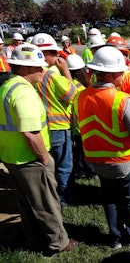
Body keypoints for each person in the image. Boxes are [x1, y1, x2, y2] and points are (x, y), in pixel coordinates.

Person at [0, 43, 79, 256]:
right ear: (23, 69)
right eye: (37, 67)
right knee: (46, 204)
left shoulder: (8, 87)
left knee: (26, 202)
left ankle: (33, 238)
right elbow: (30, 132)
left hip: (12, 156)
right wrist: (44, 157)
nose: (41, 70)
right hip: (30, 158)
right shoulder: (24, 93)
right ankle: (58, 242)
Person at [73, 46, 130, 249]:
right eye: (119, 73)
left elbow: (79, 124)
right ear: (108, 74)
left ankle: (115, 238)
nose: (122, 76)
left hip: (98, 161)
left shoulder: (80, 96)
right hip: (126, 160)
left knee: (110, 199)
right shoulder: (122, 99)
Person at [32, 33, 77, 206]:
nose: (57, 56)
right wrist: (66, 71)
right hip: (59, 126)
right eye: (53, 52)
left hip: (42, 127)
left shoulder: (31, 76)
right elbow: (71, 95)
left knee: (47, 164)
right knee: (64, 165)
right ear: (43, 55)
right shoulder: (52, 75)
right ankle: (64, 199)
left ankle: (48, 195)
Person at [66, 54, 97, 180]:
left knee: (78, 149)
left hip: (73, 124)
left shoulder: (68, 84)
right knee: (85, 149)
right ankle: (91, 172)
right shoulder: (82, 86)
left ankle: (80, 170)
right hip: (83, 124)